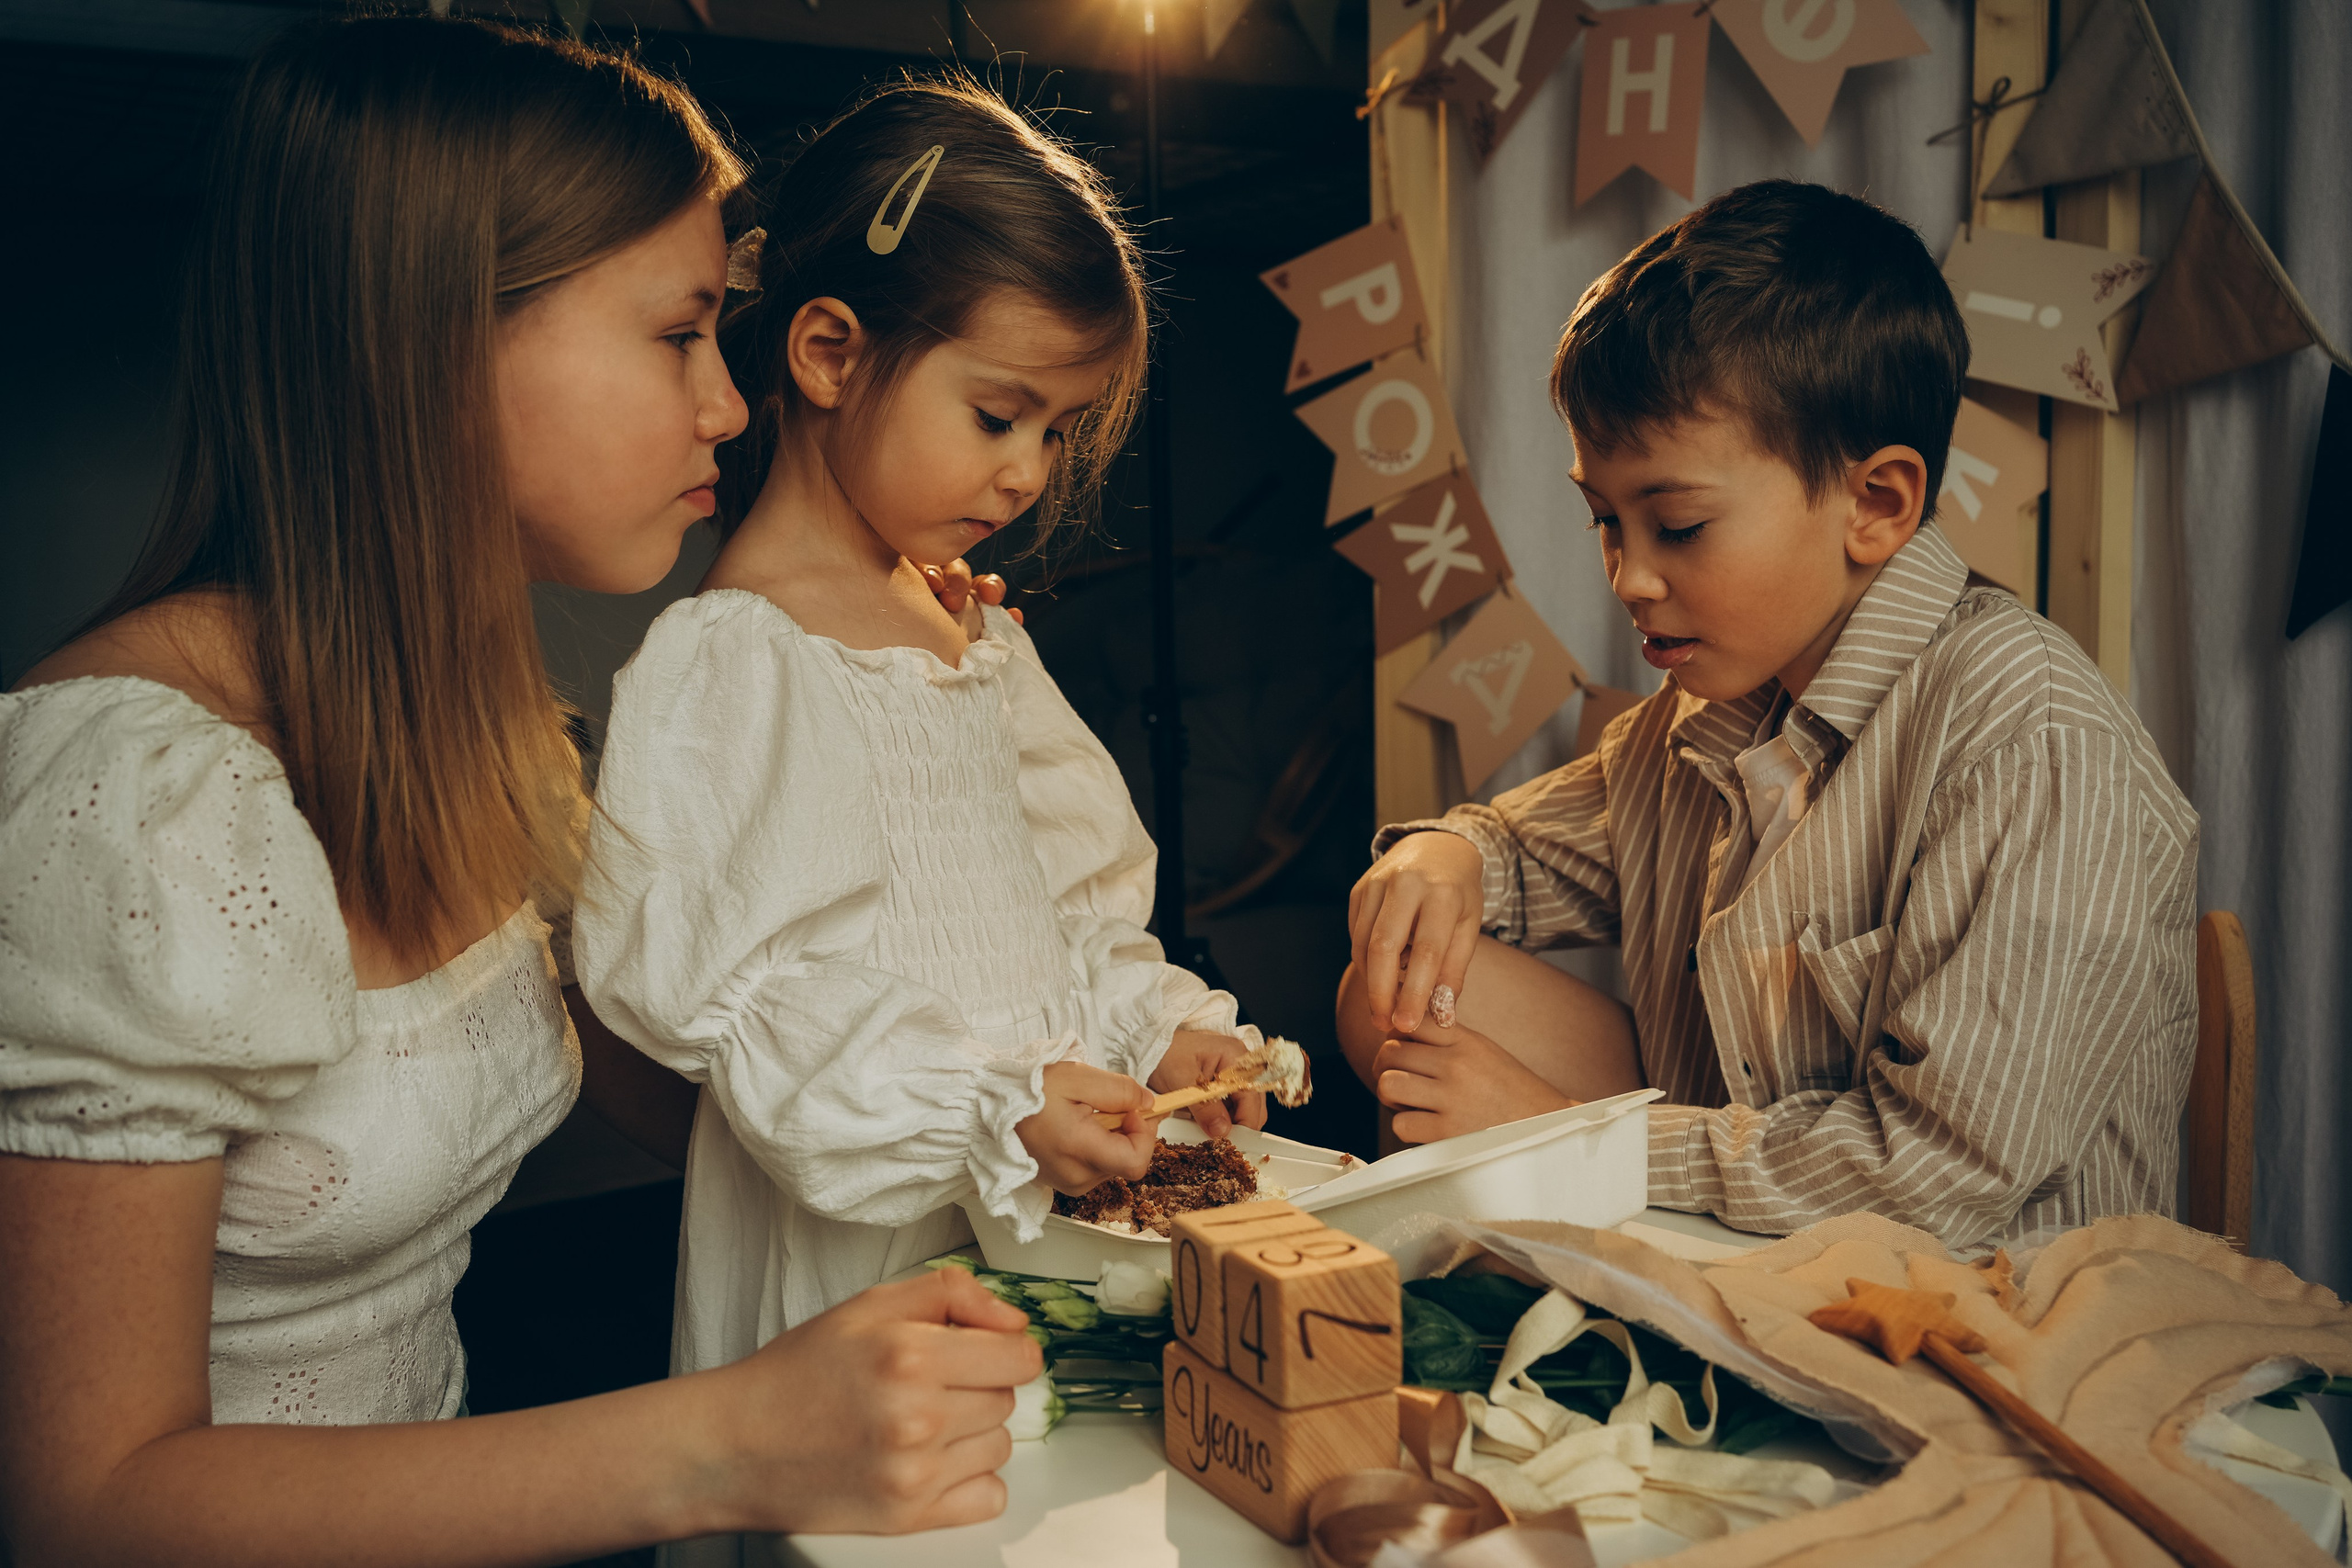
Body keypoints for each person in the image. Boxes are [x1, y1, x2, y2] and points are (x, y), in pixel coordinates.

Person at [0, 21, 1046, 1565]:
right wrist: (731, 1437)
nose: (729, 406)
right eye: (679, 333)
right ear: (424, 343)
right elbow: (82, 1506)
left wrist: (896, 726)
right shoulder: (129, 806)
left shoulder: (473, 728)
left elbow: (683, 1069)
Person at [1338, 181, 2199, 1251]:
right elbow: (1517, 852)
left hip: (1982, 1314)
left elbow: (1942, 1177)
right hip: (1738, 1250)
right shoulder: (1696, 716)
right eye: (1606, 520)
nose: (1629, 578)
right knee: (1398, 983)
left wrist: (1562, 1139)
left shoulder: (2033, 742)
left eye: (1679, 525)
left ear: (1875, 505)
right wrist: (1440, 851)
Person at [572, 79, 1267, 1399]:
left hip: (1033, 1215)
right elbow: (737, 995)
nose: (1029, 473)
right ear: (829, 353)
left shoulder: (979, 639)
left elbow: (1060, 917)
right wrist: (981, 1104)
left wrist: (1152, 1029)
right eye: (998, 414)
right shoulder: (739, 658)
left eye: (1057, 430)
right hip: (856, 1248)